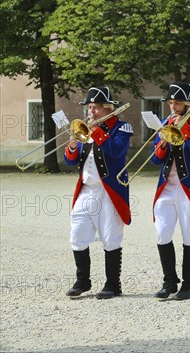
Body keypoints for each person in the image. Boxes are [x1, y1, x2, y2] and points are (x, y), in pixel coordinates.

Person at [64, 86, 133, 299]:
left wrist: (96, 132)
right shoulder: (86, 129)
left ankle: (113, 284)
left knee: (111, 237)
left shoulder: (122, 127)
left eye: (94, 108)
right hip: (86, 189)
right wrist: (73, 144)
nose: (90, 112)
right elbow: (70, 161)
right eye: (89, 107)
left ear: (107, 108)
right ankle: (82, 280)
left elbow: (116, 151)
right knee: (77, 234)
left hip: (109, 191)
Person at [151, 82, 190, 300]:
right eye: (170, 103)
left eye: (177, 103)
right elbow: (154, 160)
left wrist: (184, 129)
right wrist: (161, 141)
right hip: (167, 187)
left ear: (189, 103)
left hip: (189, 187)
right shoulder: (165, 122)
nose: (173, 107)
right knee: (162, 233)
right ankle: (169, 281)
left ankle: (188, 284)